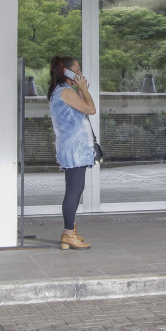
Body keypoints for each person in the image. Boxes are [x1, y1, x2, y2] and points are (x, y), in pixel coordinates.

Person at [48, 55, 96, 250]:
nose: (80, 74)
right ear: (65, 72)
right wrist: (83, 89)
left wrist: (80, 90)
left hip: (75, 147)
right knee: (74, 191)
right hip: (74, 149)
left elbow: (83, 110)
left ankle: (70, 232)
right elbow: (91, 109)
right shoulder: (65, 92)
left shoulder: (62, 91)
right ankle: (68, 234)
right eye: (76, 70)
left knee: (76, 190)